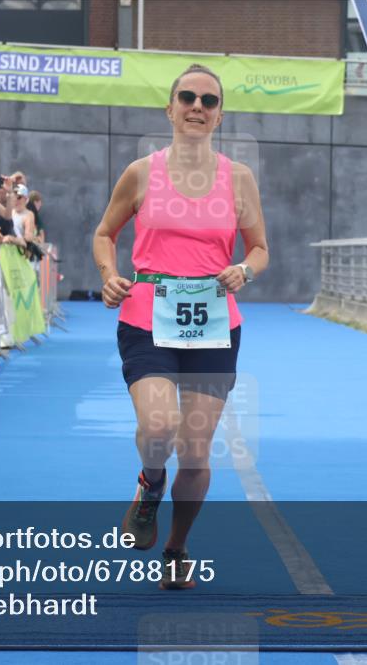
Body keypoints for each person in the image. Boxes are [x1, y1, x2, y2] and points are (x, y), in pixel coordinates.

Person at [92, 63, 268, 589]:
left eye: (208, 101)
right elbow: (105, 233)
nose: (197, 107)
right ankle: (149, 485)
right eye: (187, 97)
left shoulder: (239, 178)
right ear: (169, 109)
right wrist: (108, 274)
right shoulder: (141, 172)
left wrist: (245, 269)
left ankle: (176, 548)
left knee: (195, 454)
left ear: (219, 116)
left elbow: (260, 248)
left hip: (214, 323)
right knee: (160, 425)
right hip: (147, 315)